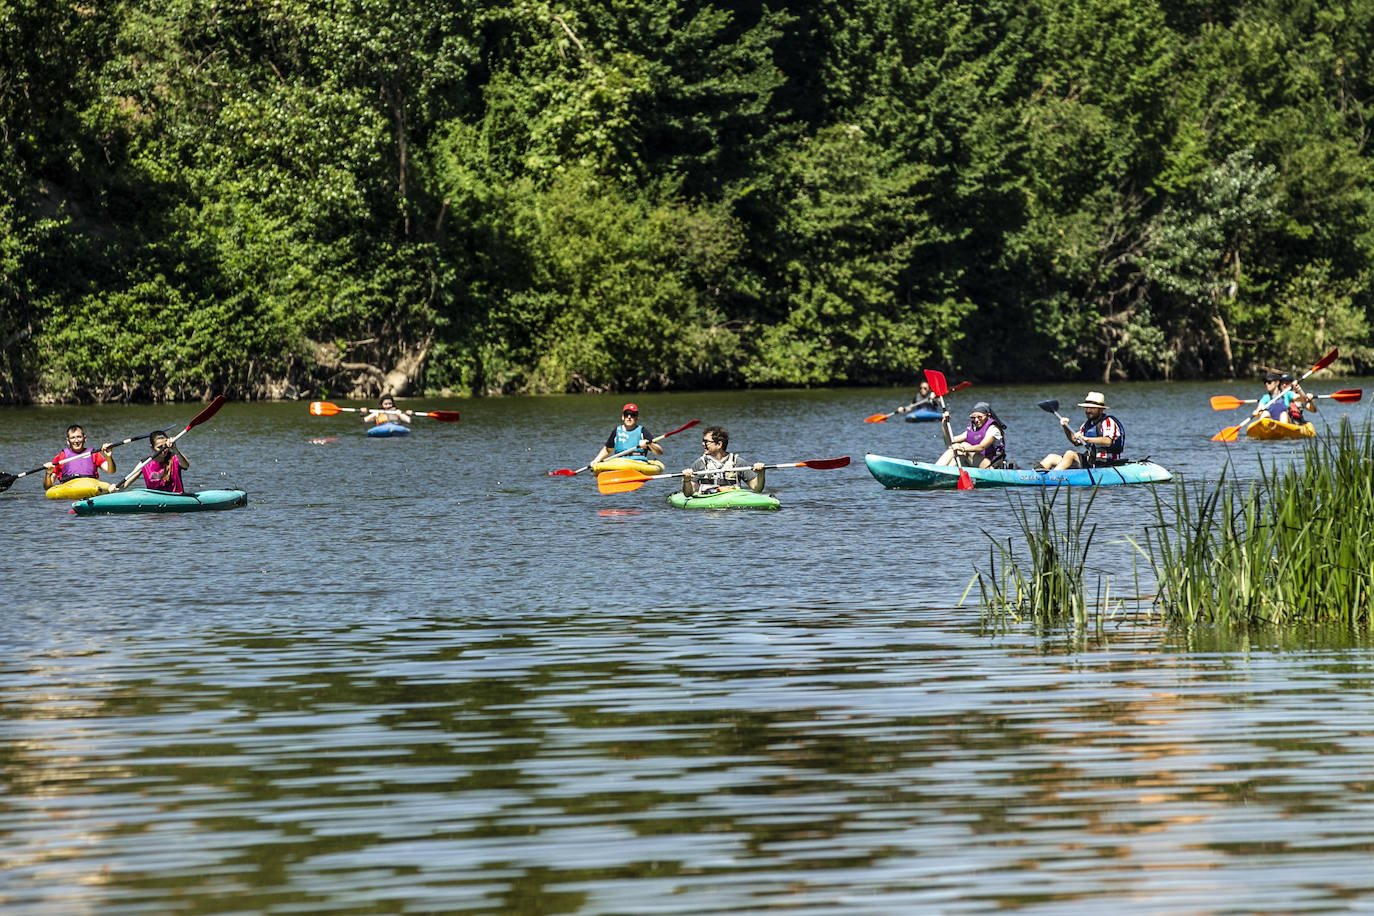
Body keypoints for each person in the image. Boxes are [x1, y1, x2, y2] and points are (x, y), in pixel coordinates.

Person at [1039, 391, 1125, 471]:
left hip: (1106, 462)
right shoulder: (1087, 425)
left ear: (1101, 410)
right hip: (1091, 461)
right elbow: (1075, 442)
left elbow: (1108, 441)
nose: (1088, 411)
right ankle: (1032, 476)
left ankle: (1052, 476)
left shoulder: (1108, 422)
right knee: (1051, 457)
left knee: (1070, 454)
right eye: (1087, 408)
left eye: (1092, 408)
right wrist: (1065, 427)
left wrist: (1087, 439)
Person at [682, 426, 765, 496]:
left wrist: (760, 473)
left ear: (719, 445)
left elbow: (757, 488)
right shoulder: (700, 463)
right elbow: (688, 493)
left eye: (706, 441)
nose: (703, 444)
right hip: (708, 500)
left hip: (733, 499)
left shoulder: (738, 462)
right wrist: (687, 480)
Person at [43, 425, 115, 491]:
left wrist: (108, 457)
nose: (76, 441)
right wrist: (48, 474)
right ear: (68, 441)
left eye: (79, 437)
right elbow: (48, 487)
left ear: (84, 438)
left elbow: (111, 471)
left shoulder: (94, 454)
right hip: (68, 488)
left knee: (110, 487)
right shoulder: (60, 457)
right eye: (73, 438)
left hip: (90, 486)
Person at [936, 401, 1007, 468]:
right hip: (978, 463)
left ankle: (937, 471)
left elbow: (981, 447)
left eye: (979, 417)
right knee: (955, 452)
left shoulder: (993, 429)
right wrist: (944, 423)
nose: (976, 420)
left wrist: (962, 448)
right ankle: (938, 471)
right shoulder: (973, 429)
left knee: (963, 445)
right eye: (973, 418)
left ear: (988, 416)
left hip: (991, 467)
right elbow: (948, 442)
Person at [591, 403, 663, 465]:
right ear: (622, 417)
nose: (629, 417)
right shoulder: (616, 431)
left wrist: (649, 444)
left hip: (638, 463)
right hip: (620, 462)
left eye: (632, 415)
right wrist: (596, 460)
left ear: (637, 417)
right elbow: (607, 450)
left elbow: (659, 452)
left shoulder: (643, 431)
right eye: (626, 414)